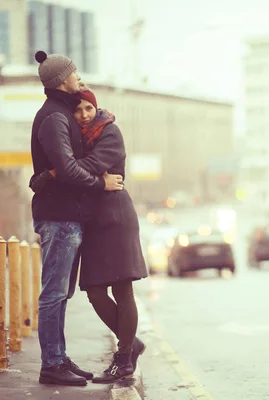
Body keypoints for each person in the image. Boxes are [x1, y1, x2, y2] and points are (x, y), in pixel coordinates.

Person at [30, 86, 149, 383]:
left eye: (88, 109)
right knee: (95, 292)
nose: (83, 115)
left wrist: (55, 173)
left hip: (116, 217)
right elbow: (76, 169)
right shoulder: (77, 139)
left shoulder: (110, 133)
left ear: (97, 109)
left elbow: (91, 167)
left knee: (123, 290)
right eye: (78, 110)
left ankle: (124, 359)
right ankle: (131, 343)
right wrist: (57, 171)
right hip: (92, 221)